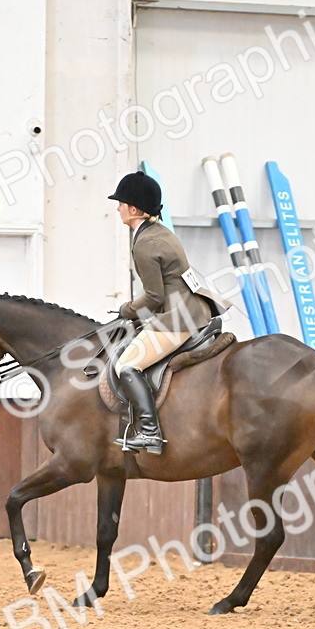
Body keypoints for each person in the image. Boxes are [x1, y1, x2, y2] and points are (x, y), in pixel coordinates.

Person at [109, 171, 225, 454]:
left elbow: (154, 296)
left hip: (178, 318)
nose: (118, 208)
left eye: (121, 203)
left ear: (134, 209)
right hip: (192, 309)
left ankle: (149, 432)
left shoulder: (145, 244)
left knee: (126, 365)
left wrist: (126, 309)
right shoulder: (159, 232)